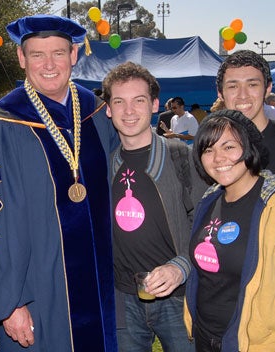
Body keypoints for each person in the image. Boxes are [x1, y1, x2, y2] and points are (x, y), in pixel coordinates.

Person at [0, 14, 118, 351]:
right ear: (21, 58)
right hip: (36, 291)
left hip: (102, 284)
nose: (49, 64)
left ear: (74, 55)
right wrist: (9, 303)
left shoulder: (98, 114)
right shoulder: (0, 126)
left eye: (59, 53)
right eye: (37, 54)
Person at [185, 109, 275, 351]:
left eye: (229, 147)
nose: (218, 157)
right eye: (208, 149)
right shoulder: (210, 199)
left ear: (250, 147)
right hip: (204, 338)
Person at [102, 61, 205, 352]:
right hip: (123, 299)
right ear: (108, 108)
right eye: (119, 102)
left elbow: (209, 226)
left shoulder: (181, 158)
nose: (129, 111)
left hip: (178, 297)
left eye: (139, 100)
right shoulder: (103, 166)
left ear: (155, 105)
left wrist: (181, 267)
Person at [215, 49, 275, 191]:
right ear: (220, 93)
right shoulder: (210, 148)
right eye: (233, 86)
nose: (243, 95)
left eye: (252, 85)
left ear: (267, 88)